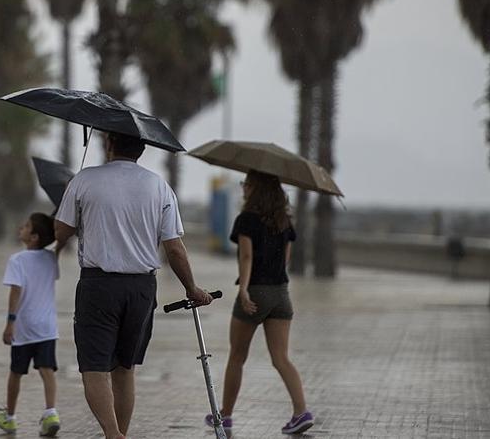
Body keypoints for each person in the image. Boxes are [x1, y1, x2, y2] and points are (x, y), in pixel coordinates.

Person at [55, 131, 213, 439]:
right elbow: (174, 248)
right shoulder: (159, 186)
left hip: (98, 287)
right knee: (125, 368)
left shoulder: (84, 180)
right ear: (141, 149)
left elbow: (62, 232)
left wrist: (71, 204)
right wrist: (191, 288)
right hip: (141, 289)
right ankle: (120, 434)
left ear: (109, 144)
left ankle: (113, 434)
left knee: (94, 367)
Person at [207, 170, 314, 435]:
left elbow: (246, 257)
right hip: (281, 293)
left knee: (237, 356)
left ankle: (227, 416)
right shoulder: (284, 221)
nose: (243, 187)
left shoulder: (246, 220)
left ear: (256, 188)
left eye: (246, 183)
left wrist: (243, 290)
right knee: (281, 358)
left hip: (255, 291)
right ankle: (301, 412)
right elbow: (285, 259)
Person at [0, 212, 63, 436]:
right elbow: (59, 243)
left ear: (33, 237)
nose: (20, 228)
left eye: (25, 226)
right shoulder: (51, 258)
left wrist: (10, 323)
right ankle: (51, 412)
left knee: (16, 372)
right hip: (47, 327)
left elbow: (15, 291)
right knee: (47, 370)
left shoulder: (17, 260)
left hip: (24, 327)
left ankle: (10, 417)